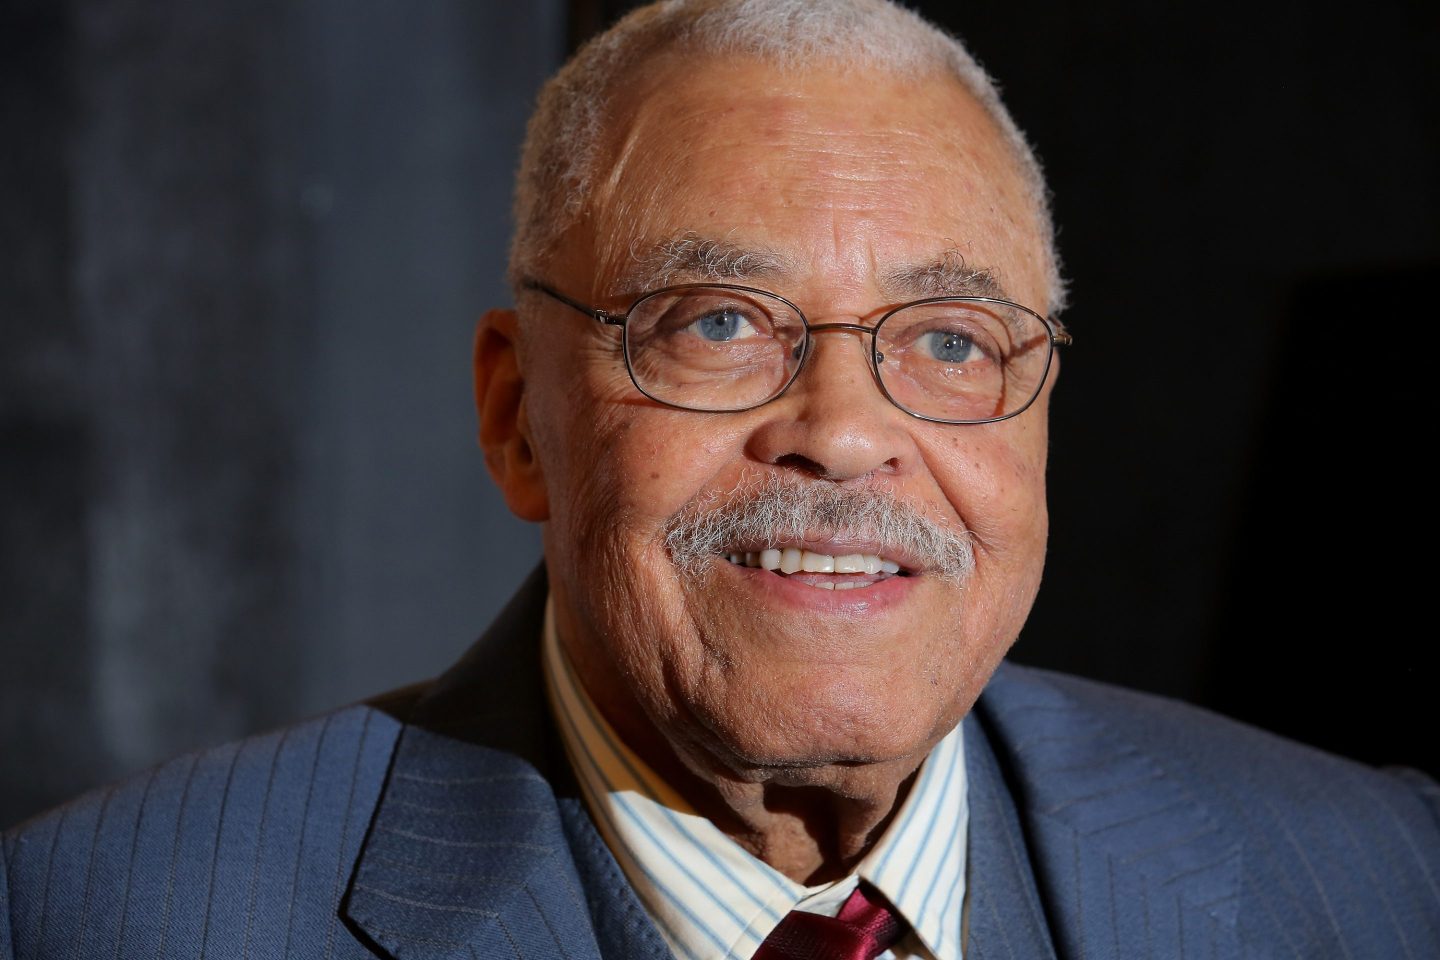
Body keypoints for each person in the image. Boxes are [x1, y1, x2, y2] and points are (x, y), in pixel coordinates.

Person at [3, 1, 1436, 957]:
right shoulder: (108, 919)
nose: (847, 430)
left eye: (949, 338)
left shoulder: (1374, 878)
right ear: (517, 417)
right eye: (719, 324)